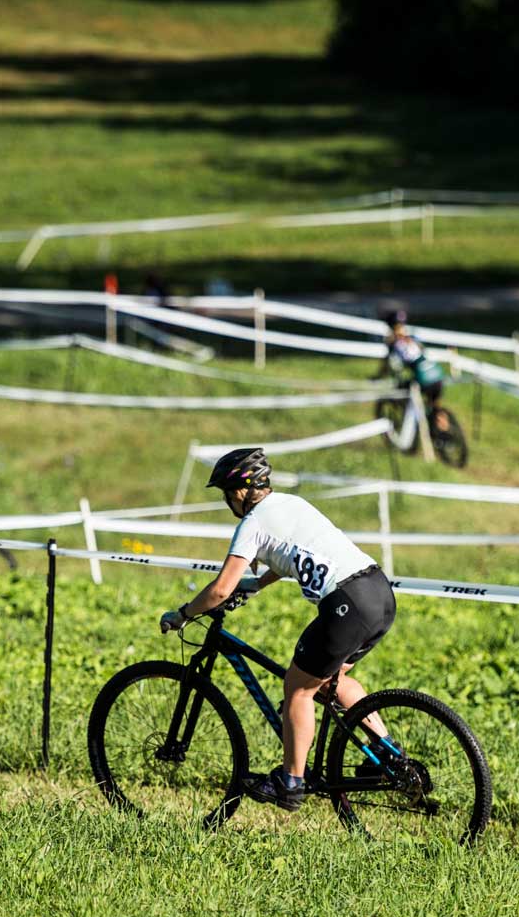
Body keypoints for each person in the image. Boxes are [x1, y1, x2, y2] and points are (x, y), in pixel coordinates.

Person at [159, 447, 398, 811]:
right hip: (378, 593)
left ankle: (290, 783)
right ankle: (387, 755)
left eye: (226, 493)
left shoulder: (251, 524)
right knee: (332, 681)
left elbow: (221, 588)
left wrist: (183, 614)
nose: (228, 503)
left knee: (297, 689)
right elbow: (292, 554)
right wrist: (256, 585)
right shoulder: (292, 503)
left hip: (346, 605)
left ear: (239, 491)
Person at [377, 309, 448, 432]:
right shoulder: (414, 337)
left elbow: (386, 366)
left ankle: (412, 425)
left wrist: (378, 376)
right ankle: (443, 426)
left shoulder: (393, 342)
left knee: (402, 391)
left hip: (423, 377)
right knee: (435, 405)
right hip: (436, 372)